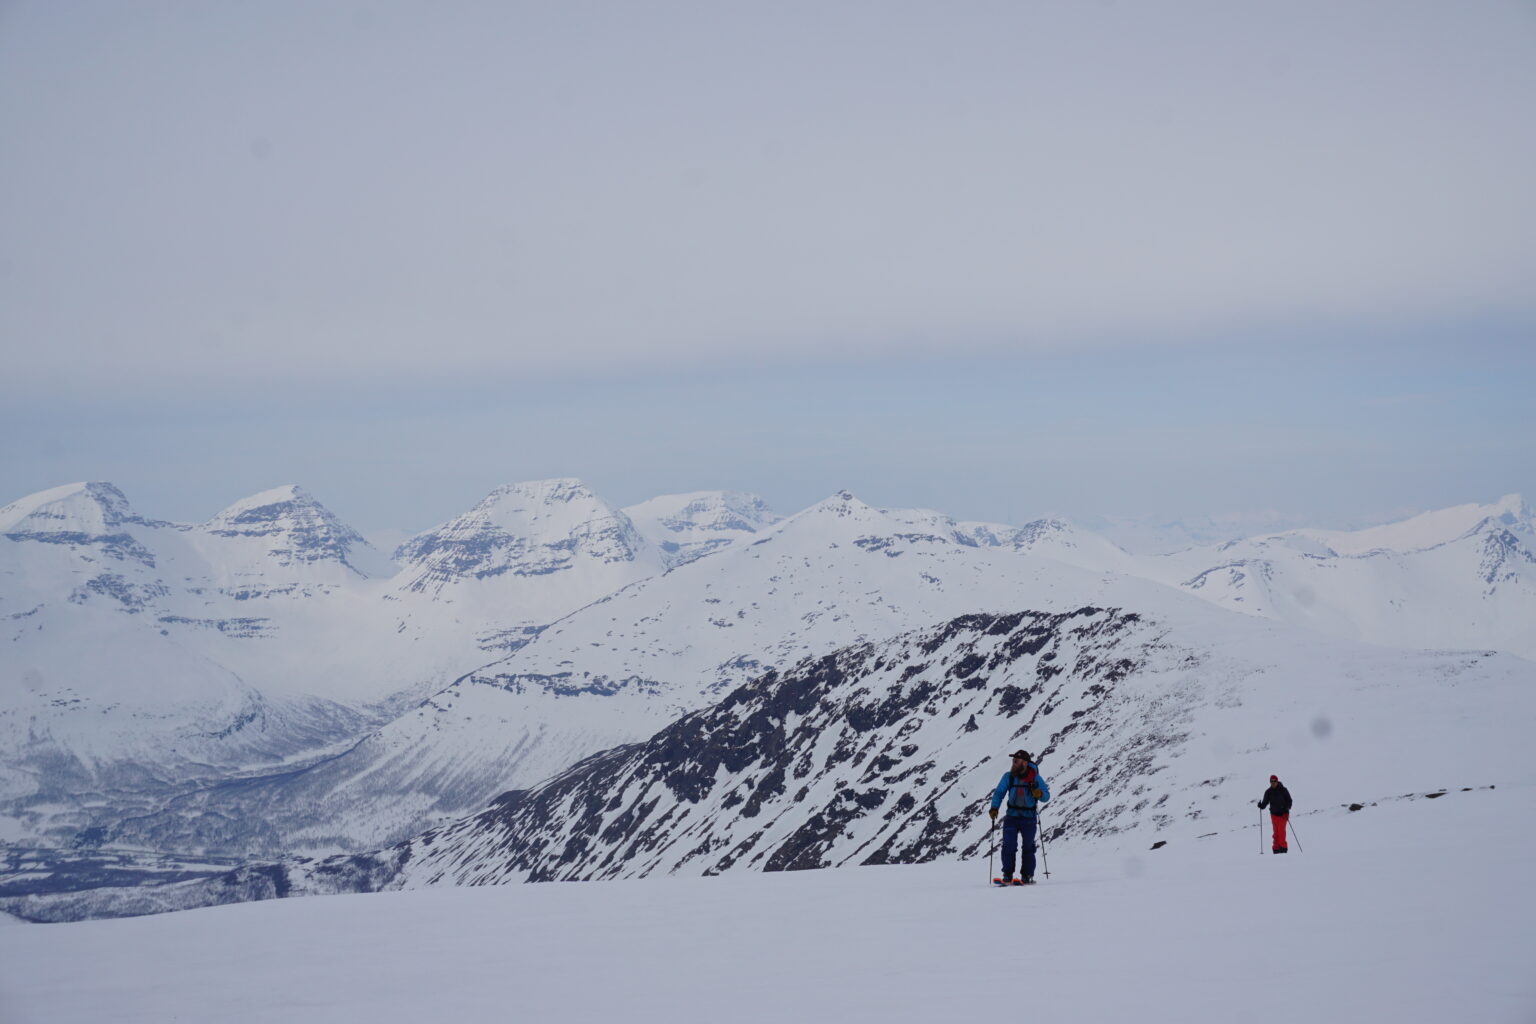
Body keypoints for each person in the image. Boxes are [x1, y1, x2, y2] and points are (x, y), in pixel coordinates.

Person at [988, 749, 1050, 885]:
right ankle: (1007, 874)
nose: (1014, 763)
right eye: (1013, 760)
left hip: (1029, 817)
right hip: (1012, 817)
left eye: (1017, 760)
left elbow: (1046, 796)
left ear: (1025, 763)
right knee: (1008, 845)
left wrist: (1038, 793)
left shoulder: (1035, 778)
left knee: (1028, 847)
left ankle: (1027, 875)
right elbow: (999, 793)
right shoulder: (1008, 777)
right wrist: (994, 808)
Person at [1258, 774, 1292, 853]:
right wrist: (1261, 806)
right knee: (1275, 833)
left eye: (1274, 781)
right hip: (1274, 815)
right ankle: (1276, 849)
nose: (1273, 783)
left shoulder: (1283, 790)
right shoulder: (1268, 792)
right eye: (1271, 781)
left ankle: (1283, 848)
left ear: (1277, 781)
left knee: (1281, 831)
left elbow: (1289, 800)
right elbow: (1265, 803)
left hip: (1283, 814)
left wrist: (1287, 807)